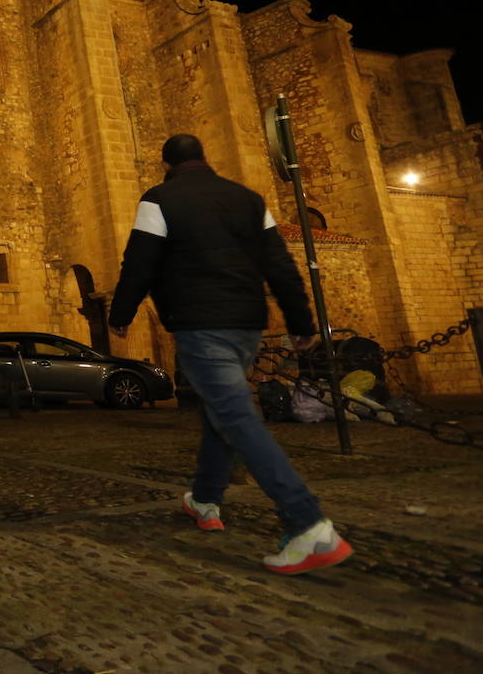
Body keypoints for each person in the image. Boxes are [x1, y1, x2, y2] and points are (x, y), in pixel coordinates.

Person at [107, 134, 353, 574]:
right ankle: (205, 500)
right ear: (205, 158)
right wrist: (300, 323)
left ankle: (309, 524)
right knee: (221, 413)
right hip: (246, 325)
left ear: (166, 162)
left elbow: (139, 262)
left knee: (235, 416)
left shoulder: (158, 199)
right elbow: (280, 264)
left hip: (201, 324)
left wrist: (121, 313)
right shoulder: (249, 200)